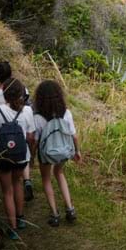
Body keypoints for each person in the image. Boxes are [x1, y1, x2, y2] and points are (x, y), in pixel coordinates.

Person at [0, 78, 36, 240]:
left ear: (4, 94)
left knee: (7, 192)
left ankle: (12, 228)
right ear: (22, 94)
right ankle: (20, 218)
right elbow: (30, 136)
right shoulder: (27, 111)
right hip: (21, 156)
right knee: (18, 184)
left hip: (2, 157)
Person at [33, 80, 81, 227]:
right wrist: (77, 151)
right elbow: (73, 135)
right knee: (59, 173)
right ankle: (70, 209)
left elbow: (35, 140)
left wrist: (31, 157)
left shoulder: (38, 118)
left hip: (46, 154)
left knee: (46, 178)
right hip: (64, 150)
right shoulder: (66, 113)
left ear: (40, 98)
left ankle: (54, 214)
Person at [0, 61, 35, 202]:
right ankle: (27, 180)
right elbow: (27, 108)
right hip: (20, 131)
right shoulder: (22, 89)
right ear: (11, 73)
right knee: (21, 148)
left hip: (1, 139)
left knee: (7, 187)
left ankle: (13, 218)